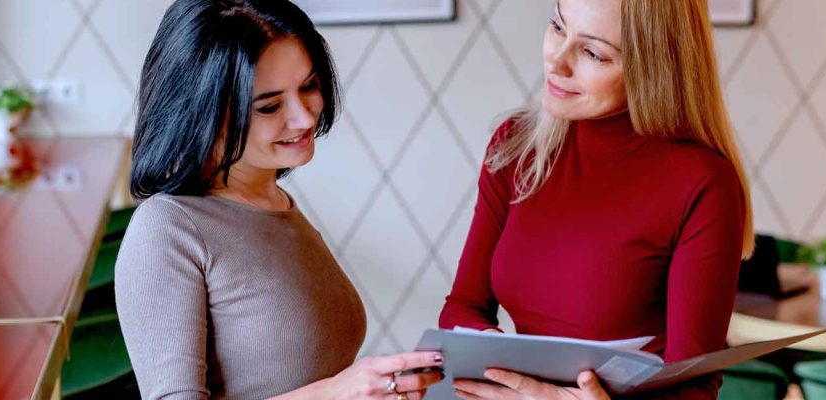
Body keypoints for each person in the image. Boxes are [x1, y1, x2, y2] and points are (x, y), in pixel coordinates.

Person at [115, 1, 443, 399]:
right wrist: (336, 393)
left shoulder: (273, 202)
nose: (304, 118)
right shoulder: (167, 228)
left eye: (309, 86)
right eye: (270, 106)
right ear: (201, 112)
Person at [440, 0, 754, 399]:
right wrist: (507, 373)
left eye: (592, 53)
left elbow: (694, 386)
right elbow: (462, 307)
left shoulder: (702, 182)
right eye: (557, 27)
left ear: (652, 68)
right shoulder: (516, 146)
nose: (557, 62)